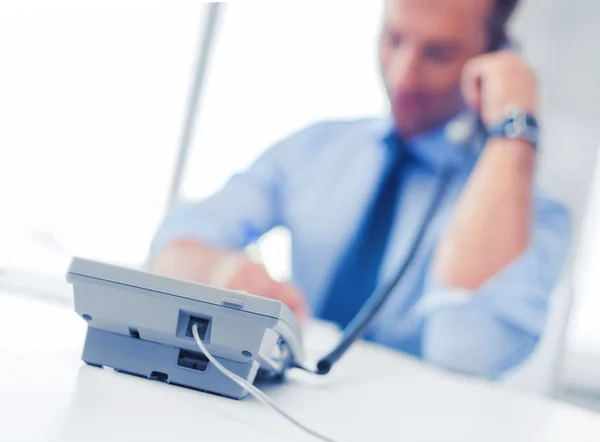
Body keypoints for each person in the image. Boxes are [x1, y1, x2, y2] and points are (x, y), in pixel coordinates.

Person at [149, 0, 571, 379]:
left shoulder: (536, 216)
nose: (403, 76)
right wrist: (223, 272)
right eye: (394, 39)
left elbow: (466, 350)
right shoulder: (314, 150)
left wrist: (515, 129)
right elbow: (174, 246)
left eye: (438, 53)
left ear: (493, 59)